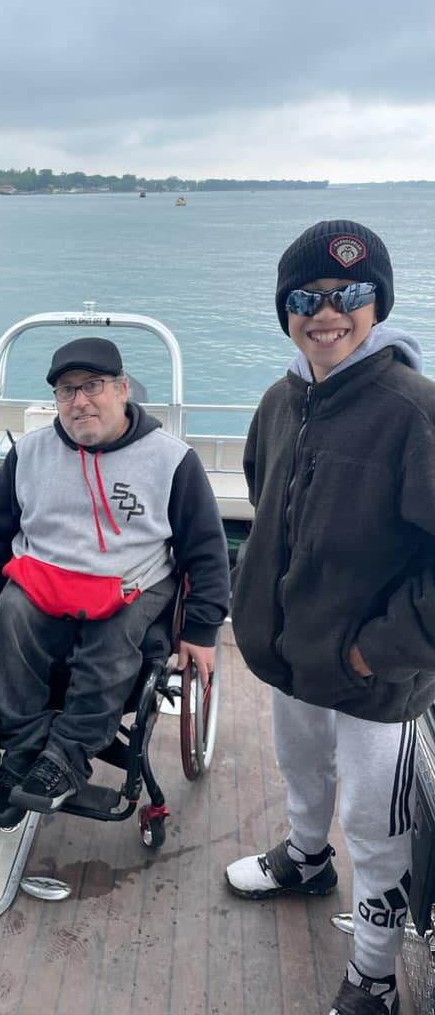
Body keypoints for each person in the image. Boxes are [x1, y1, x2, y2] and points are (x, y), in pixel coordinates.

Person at [226, 219, 435, 1015]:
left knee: (378, 832)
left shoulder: (415, 411)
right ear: (286, 310)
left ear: (376, 303)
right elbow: (260, 497)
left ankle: (374, 971)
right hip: (293, 660)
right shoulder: (281, 401)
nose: (327, 312)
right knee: (303, 775)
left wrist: (370, 650)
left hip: (378, 680)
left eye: (348, 294)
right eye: (306, 297)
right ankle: (306, 861)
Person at [0, 336, 230, 828]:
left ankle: (66, 756)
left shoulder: (171, 459)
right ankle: (25, 749)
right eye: (67, 391)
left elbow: (206, 551)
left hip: (133, 579)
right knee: (12, 615)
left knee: (116, 636)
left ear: (122, 389)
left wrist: (201, 632)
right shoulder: (30, 453)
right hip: (46, 574)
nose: (79, 401)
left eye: (93, 386)